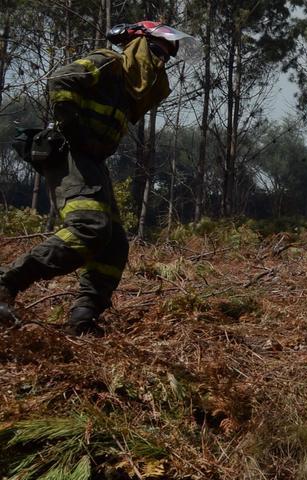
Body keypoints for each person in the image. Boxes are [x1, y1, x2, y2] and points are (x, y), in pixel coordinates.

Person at [0, 21, 190, 336]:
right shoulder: (108, 62)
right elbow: (62, 80)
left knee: (114, 244)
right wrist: (71, 126)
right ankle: (7, 281)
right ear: (137, 45)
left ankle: (83, 319)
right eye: (155, 50)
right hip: (69, 154)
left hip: (91, 161)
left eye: (166, 57)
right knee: (90, 227)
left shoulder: (130, 87)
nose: (159, 61)